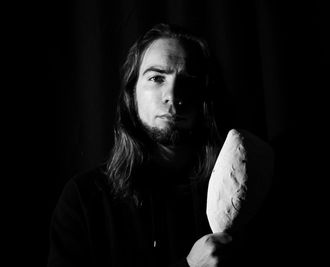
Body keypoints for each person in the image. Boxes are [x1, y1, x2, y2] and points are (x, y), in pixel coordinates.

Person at [47, 23, 244, 267]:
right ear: (132, 95)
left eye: (188, 80)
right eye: (156, 78)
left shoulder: (237, 194)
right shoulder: (85, 199)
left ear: (205, 95)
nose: (172, 95)